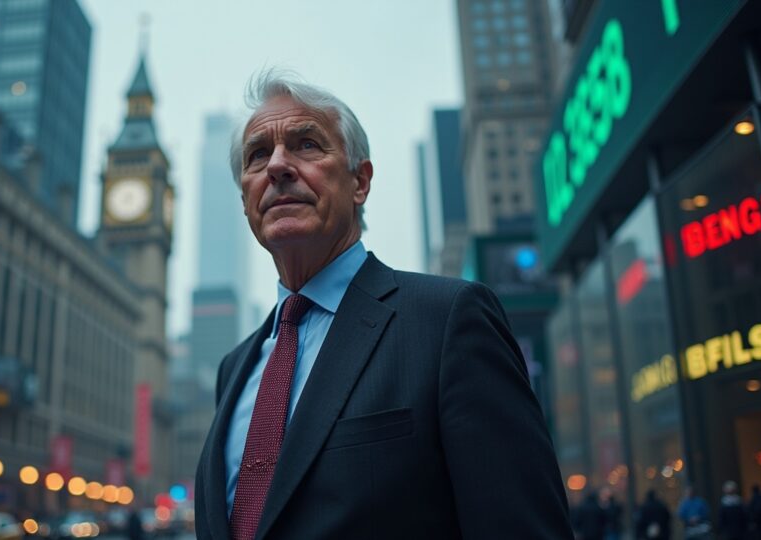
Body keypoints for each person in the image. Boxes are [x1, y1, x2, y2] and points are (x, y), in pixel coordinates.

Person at [193, 69, 573, 539]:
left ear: (360, 182)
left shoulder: (448, 320)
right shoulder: (234, 368)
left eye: (307, 144)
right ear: (246, 198)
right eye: (257, 156)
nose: (277, 166)